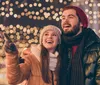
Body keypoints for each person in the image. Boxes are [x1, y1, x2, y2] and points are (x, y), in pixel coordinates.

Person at [59, 5, 100, 85]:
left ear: (81, 23)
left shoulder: (96, 47)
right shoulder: (58, 45)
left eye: (70, 17)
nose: (65, 21)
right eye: (63, 18)